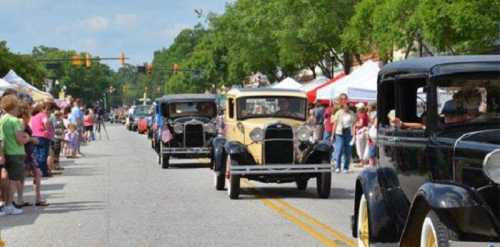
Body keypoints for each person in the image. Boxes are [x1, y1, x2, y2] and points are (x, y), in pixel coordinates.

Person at [0, 95, 29, 215]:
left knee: (7, 181)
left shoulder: (3, 119)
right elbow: (19, 139)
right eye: (17, 105)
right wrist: (27, 138)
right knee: (13, 181)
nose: (19, 108)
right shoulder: (15, 120)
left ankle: (7, 204)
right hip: (16, 153)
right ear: (13, 106)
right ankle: (9, 205)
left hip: (6, 152)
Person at [17, 102, 48, 207]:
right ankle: (21, 199)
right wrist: (32, 139)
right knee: (24, 176)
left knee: (36, 174)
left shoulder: (23, 122)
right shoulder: (21, 122)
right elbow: (22, 138)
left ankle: (36, 198)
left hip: (28, 153)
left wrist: (31, 139)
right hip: (24, 152)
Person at [331, 93, 356, 173]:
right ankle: (338, 167)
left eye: (348, 107)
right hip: (339, 132)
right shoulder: (339, 112)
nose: (346, 108)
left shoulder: (352, 113)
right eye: (345, 107)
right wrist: (332, 135)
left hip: (348, 132)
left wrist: (354, 135)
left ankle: (346, 167)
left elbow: (354, 124)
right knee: (339, 149)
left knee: (348, 151)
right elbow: (335, 124)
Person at [31, 101, 55, 177]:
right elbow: (46, 122)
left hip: (34, 136)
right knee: (43, 155)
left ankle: (35, 171)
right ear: (42, 109)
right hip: (43, 137)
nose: (49, 111)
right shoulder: (43, 115)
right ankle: (43, 172)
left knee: (36, 155)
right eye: (48, 109)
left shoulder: (34, 117)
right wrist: (47, 129)